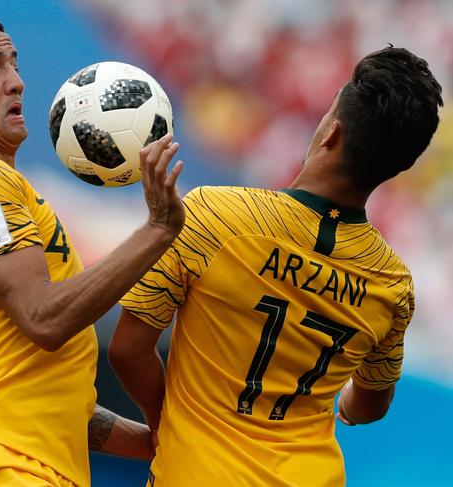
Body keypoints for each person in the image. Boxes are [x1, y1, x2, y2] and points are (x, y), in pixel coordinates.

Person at [108, 46, 443, 487]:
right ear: (400, 166)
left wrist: (165, 421)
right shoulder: (391, 283)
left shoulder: (215, 215)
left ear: (331, 133)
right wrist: (343, 404)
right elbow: (371, 405)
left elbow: (127, 350)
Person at [0, 12, 185, 487]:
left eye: (14, 65)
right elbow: (44, 318)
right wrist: (157, 229)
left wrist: (162, 444)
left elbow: (56, 396)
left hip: (10, 462)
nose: (16, 83)